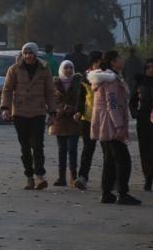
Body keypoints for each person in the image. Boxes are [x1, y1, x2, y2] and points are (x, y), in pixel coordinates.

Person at [88, 50, 140, 205]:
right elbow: (113, 104)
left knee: (109, 160)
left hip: (105, 123)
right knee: (123, 160)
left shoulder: (107, 79)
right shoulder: (110, 80)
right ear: (113, 62)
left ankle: (106, 192)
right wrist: (119, 126)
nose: (122, 60)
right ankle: (122, 193)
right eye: (119, 58)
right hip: (110, 125)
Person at [1, 42, 55, 190]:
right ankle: (29, 176)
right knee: (25, 146)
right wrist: (5, 108)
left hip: (38, 112)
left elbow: (50, 91)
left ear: (35, 54)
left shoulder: (44, 69)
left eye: (30, 53)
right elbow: (7, 90)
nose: (28, 56)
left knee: (37, 145)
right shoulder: (14, 69)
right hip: (20, 112)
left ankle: (40, 176)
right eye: (25, 53)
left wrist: (52, 112)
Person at [130, 58, 153, 191]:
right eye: (148, 68)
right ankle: (148, 178)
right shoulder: (140, 83)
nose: (151, 70)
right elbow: (132, 101)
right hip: (144, 121)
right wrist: (136, 113)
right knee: (145, 151)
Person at [50, 60, 84, 187]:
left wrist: (74, 109)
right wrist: (60, 108)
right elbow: (51, 101)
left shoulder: (79, 83)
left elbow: (82, 100)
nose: (68, 70)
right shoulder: (55, 84)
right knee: (61, 150)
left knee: (72, 149)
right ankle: (61, 177)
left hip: (74, 120)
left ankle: (74, 177)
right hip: (60, 121)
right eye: (66, 67)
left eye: (71, 67)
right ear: (61, 69)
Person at [73, 50, 104, 190]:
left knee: (108, 151)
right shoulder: (85, 78)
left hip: (105, 119)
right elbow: (81, 96)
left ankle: (112, 179)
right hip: (88, 117)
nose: (101, 64)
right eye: (98, 61)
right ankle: (82, 177)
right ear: (93, 63)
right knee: (88, 149)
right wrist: (78, 111)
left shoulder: (108, 77)